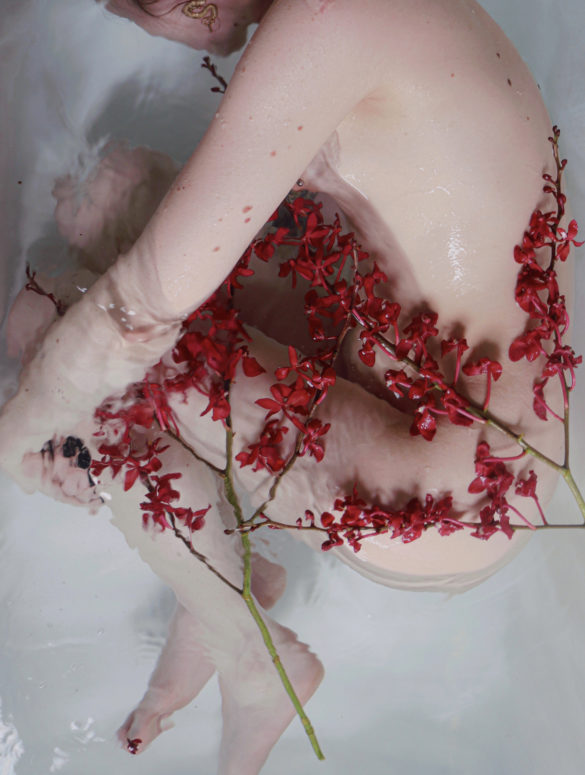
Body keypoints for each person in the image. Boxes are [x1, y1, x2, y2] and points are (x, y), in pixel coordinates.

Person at [0, 1, 572, 772]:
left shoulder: (323, 22)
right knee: (113, 197)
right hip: (403, 368)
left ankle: (249, 656)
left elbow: (132, 319)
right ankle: (222, 580)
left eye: (130, 4)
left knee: (52, 341)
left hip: (449, 498)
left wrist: (15, 434)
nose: (135, 24)